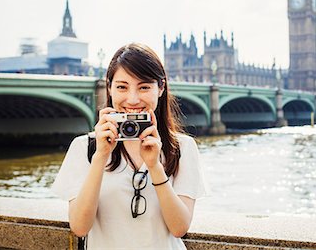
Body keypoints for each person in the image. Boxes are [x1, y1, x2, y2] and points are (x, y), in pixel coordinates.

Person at [52, 43, 208, 249]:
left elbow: (179, 228)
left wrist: (155, 167)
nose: (132, 99)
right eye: (122, 87)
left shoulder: (182, 148)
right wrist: (100, 157)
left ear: (161, 88)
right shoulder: (85, 148)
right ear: (109, 87)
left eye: (144, 87)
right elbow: (80, 227)